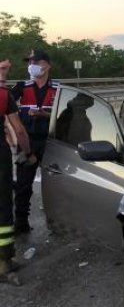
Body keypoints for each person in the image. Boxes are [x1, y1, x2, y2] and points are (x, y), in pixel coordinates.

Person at [10, 50, 59, 234]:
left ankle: (60, 222)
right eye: (29, 61)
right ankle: (21, 222)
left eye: (35, 61)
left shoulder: (58, 89)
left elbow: (66, 116)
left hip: (51, 143)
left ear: (47, 65)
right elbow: (5, 103)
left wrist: (44, 114)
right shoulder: (22, 86)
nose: (31, 64)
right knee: (23, 184)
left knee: (58, 184)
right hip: (27, 142)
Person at [0, 56, 36, 280]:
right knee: (3, 206)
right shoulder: (4, 96)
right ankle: (4, 263)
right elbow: (19, 130)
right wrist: (29, 154)